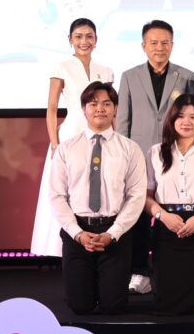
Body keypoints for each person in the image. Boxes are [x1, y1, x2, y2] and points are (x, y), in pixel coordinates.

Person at [115, 19, 194, 294]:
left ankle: (172, 269)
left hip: (174, 153)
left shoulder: (186, 76)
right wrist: (124, 156)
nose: (159, 47)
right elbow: (123, 121)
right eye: (153, 42)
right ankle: (139, 272)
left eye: (165, 42)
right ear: (143, 46)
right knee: (138, 214)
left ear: (172, 45)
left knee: (174, 210)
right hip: (139, 156)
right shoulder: (129, 76)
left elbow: (192, 117)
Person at [49, 81, 147, 315]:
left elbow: (136, 195)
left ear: (115, 109)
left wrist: (113, 233)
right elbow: (57, 196)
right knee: (79, 306)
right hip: (77, 231)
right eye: (93, 104)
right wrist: (78, 233)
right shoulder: (66, 149)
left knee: (113, 306)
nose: (100, 109)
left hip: (115, 232)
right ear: (84, 109)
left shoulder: (130, 149)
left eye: (106, 104)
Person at [30, 18, 115, 256]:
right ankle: (63, 246)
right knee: (65, 189)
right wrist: (55, 144)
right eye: (78, 36)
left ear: (96, 40)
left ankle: (96, 239)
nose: (84, 41)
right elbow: (51, 109)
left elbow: (111, 109)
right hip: (70, 134)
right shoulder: (61, 67)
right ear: (70, 40)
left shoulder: (106, 71)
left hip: (100, 135)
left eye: (89, 36)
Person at [144, 93, 194, 315]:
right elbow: (146, 198)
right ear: (172, 119)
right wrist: (163, 216)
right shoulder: (156, 152)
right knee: (166, 306)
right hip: (167, 225)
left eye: (193, 117)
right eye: (180, 116)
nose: (186, 121)